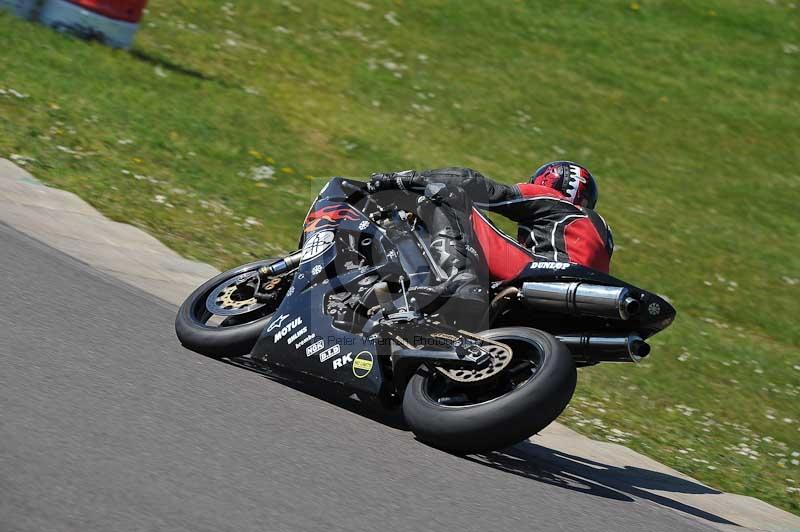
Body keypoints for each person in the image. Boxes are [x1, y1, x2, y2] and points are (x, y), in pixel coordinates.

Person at [368, 162, 614, 314]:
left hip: (545, 276)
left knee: (449, 196)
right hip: (578, 302)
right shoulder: (598, 231)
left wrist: (410, 179)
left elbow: (479, 187)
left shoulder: (553, 200)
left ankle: (459, 278)